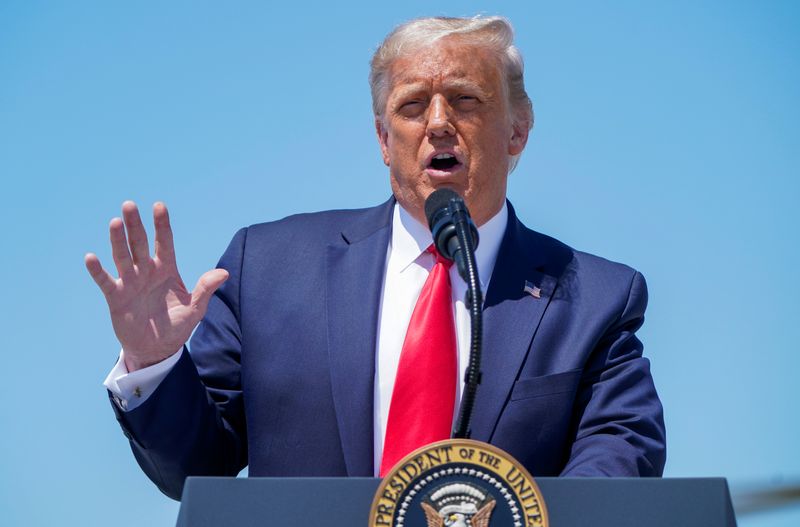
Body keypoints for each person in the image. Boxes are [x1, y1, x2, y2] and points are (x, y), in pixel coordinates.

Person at [86, 16, 666, 501]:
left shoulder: (593, 297)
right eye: (413, 106)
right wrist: (156, 360)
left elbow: (617, 459)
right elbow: (192, 469)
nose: (438, 122)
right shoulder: (267, 268)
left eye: (465, 99)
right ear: (384, 141)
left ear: (518, 130)